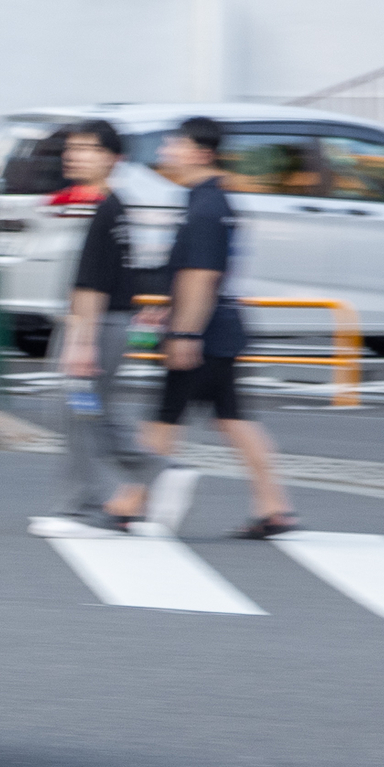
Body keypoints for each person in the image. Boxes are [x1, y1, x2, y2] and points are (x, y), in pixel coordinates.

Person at [104, 116, 297, 538]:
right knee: (231, 419)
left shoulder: (206, 206)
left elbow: (201, 275)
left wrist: (184, 332)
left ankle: (131, 501)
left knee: (165, 416)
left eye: (173, 144)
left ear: (199, 152)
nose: (164, 152)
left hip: (203, 331)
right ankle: (274, 507)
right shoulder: (213, 200)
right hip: (221, 324)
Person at [31, 121, 164, 535]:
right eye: (72, 148)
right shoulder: (110, 205)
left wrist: (81, 343)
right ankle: (138, 474)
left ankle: (89, 501)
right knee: (83, 412)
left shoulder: (105, 208)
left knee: (80, 410)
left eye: (87, 148)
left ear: (113, 158)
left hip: (97, 326)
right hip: (103, 323)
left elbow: (92, 283)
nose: (75, 155)